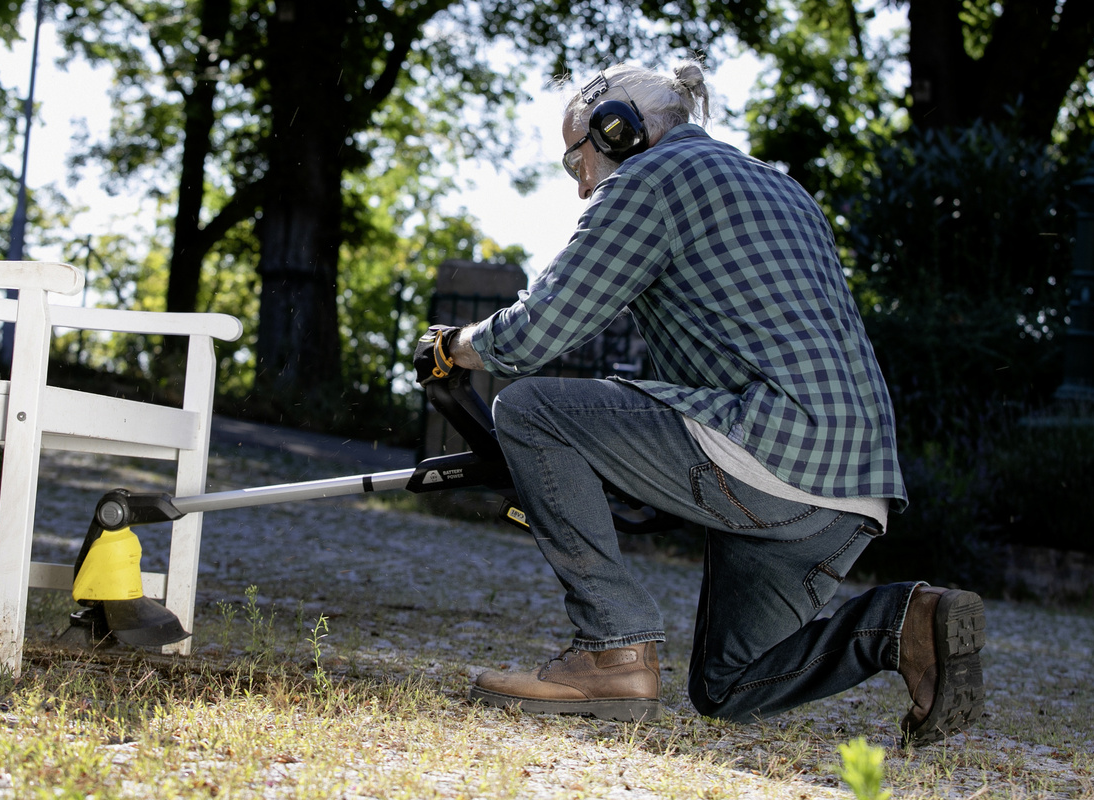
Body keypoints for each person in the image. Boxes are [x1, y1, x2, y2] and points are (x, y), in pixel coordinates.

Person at [412, 61, 985, 747]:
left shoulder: (652, 179)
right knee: (730, 684)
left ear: (615, 129)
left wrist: (453, 348)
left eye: (577, 162)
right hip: (853, 486)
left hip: (774, 448)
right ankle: (904, 624)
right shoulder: (780, 185)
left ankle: (611, 649)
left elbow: (539, 333)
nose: (582, 186)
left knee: (530, 409)